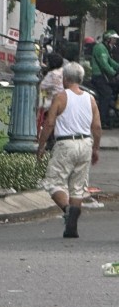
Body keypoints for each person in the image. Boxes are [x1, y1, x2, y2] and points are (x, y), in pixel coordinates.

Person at [35, 61, 101, 238]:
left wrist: (41, 147)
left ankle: (67, 210)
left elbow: (49, 123)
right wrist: (95, 148)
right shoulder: (90, 99)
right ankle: (71, 226)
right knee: (78, 187)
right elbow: (97, 127)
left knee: (53, 182)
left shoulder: (61, 97)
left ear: (65, 79)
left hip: (66, 144)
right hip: (85, 143)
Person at [87, 33, 118, 126]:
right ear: (108, 39)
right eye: (113, 39)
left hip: (104, 76)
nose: (115, 41)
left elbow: (111, 62)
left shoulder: (106, 48)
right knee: (107, 93)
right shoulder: (100, 48)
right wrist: (114, 72)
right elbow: (104, 64)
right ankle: (101, 121)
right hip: (99, 76)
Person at [37, 53, 64, 130]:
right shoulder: (64, 71)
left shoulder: (52, 74)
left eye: (48, 62)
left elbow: (42, 86)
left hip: (53, 102)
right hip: (65, 100)